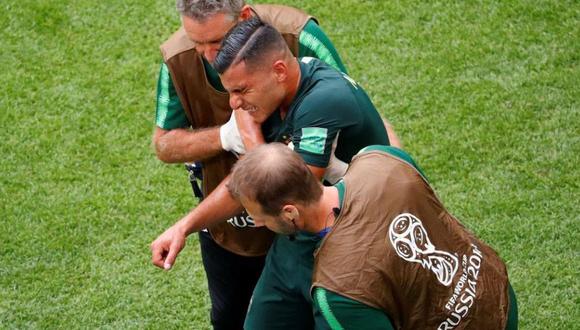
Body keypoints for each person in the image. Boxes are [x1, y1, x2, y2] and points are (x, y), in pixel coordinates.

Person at [151, 17, 397, 329]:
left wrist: (251, 135)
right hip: (298, 239)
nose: (234, 104)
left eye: (240, 90)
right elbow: (246, 181)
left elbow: (280, 190)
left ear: (279, 71)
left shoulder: (323, 102)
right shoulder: (275, 92)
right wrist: (183, 227)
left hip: (351, 240)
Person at [228, 143, 519, 330]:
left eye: (260, 217)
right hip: (499, 297)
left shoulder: (337, 290)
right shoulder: (381, 158)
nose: (256, 222)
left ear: (290, 214)